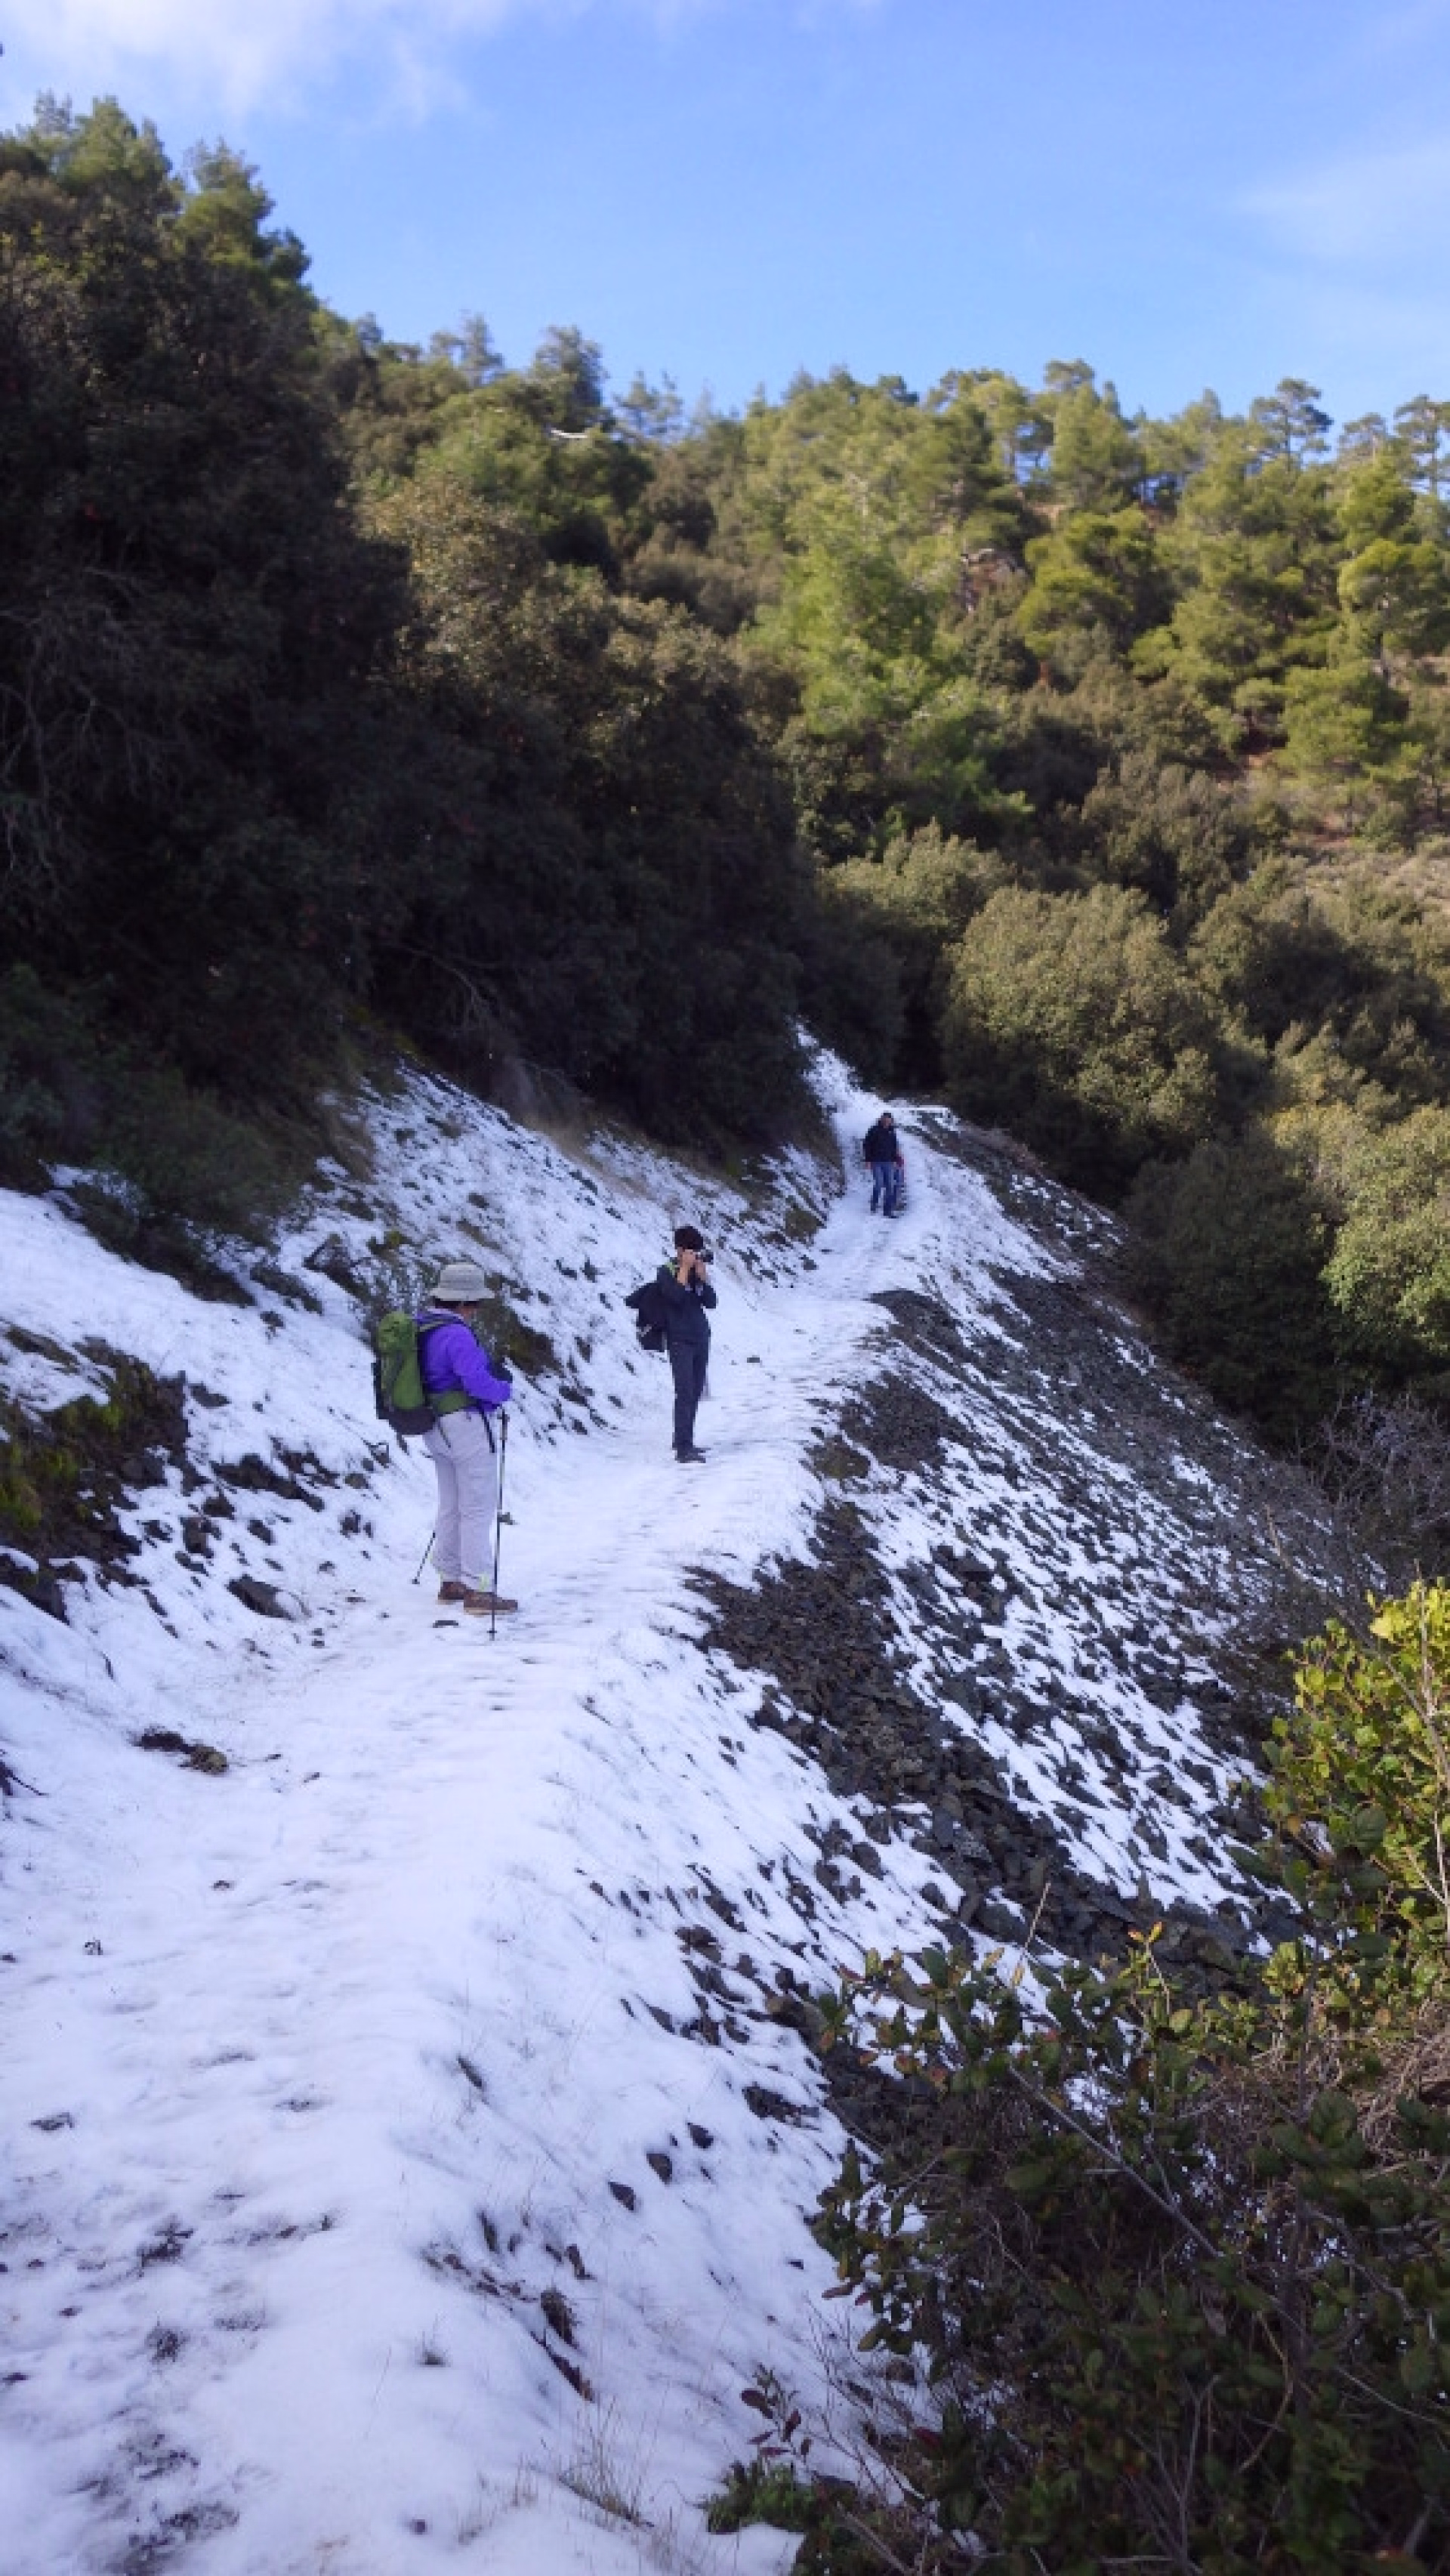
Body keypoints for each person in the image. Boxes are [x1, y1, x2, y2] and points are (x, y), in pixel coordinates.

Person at [415, 1259, 517, 1614]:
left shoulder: (421, 1327)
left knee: (452, 1503)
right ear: (462, 1302)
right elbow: (477, 1382)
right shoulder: (456, 1334)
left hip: (433, 1425)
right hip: (466, 1426)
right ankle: (478, 1589)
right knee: (478, 1506)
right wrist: (504, 1391)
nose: (476, 1310)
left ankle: (451, 1580)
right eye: (475, 1303)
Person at [656, 1224, 717, 1464]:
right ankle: (683, 1448)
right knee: (685, 1392)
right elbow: (675, 1298)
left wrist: (703, 1279)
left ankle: (685, 1439)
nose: (695, 1256)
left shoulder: (695, 1272)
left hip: (701, 1337)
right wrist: (683, 1270)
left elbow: (711, 1303)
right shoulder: (666, 1271)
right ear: (680, 1250)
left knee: (695, 1391)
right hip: (680, 1340)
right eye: (691, 1251)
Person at [862, 1110, 903, 1218]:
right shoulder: (874, 1130)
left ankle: (887, 1211)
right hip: (876, 1162)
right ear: (881, 1119)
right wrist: (868, 1160)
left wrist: (895, 1160)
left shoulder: (892, 1132)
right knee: (879, 1184)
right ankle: (874, 1203)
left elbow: (894, 1147)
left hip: (889, 1163)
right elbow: (867, 1145)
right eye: (884, 1119)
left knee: (890, 1186)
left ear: (891, 1121)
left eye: (889, 1120)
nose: (886, 1121)